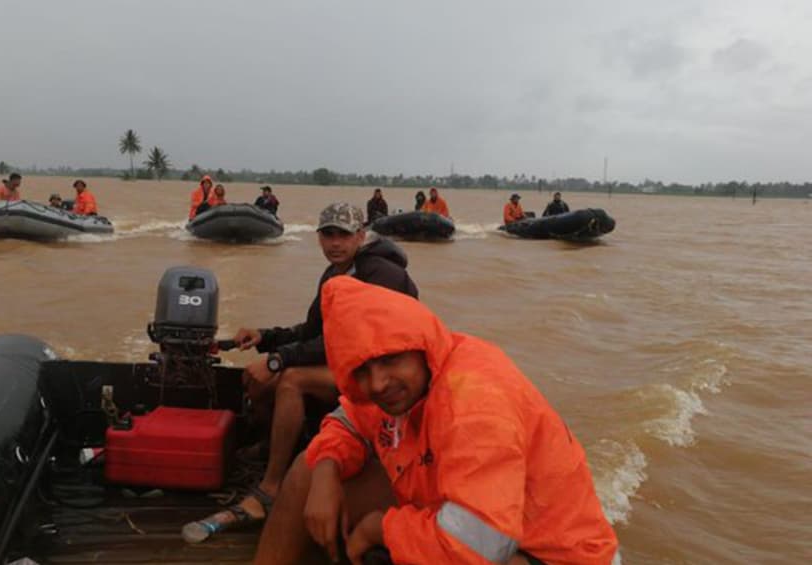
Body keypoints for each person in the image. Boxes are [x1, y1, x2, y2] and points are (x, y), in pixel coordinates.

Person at [254, 277, 620, 565]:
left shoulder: (474, 401)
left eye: (389, 360)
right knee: (307, 467)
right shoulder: (400, 387)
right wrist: (326, 474)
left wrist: (381, 529)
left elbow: (480, 547)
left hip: (545, 553)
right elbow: (347, 416)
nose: (378, 383)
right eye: (361, 370)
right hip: (464, 514)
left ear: (421, 344)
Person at [182, 203, 418, 543]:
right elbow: (311, 332)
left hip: (386, 375)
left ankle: (271, 488)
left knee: (291, 380)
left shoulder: (382, 274)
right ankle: (270, 447)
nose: (335, 243)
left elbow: (351, 340)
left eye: (344, 235)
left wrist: (279, 360)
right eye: (328, 234)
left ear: (361, 236)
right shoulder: (335, 273)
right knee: (256, 380)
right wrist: (266, 338)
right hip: (353, 365)